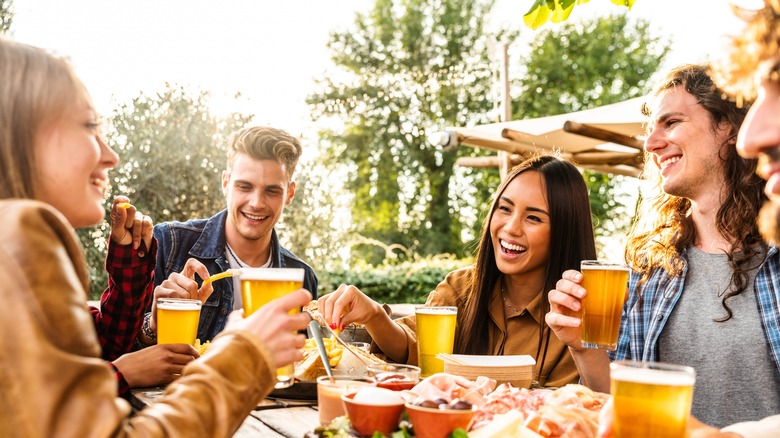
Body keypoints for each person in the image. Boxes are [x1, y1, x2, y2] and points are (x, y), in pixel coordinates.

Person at [0, 37, 311, 436]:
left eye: (271, 190)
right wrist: (245, 355)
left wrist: (129, 273)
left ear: (289, 193)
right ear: (27, 136)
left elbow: (91, 353)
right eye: (90, 127)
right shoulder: (22, 234)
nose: (110, 155)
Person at [546, 63, 780, 428]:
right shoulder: (652, 267)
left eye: (671, 122)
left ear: (729, 127)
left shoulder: (775, 257)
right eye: (651, 128)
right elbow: (621, 409)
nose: (651, 143)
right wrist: (584, 348)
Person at [318, 155, 597, 387]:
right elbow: (415, 348)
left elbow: (583, 402)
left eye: (533, 218)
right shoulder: (461, 287)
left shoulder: (576, 313)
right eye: (505, 208)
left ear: (564, 231)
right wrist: (374, 315)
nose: (511, 228)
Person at [138, 125, 318, 345]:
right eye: (244, 187)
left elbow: (304, 357)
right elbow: (121, 347)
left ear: (289, 193)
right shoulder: (169, 243)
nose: (256, 203)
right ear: (226, 183)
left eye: (272, 191)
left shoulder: (302, 277)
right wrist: (153, 325)